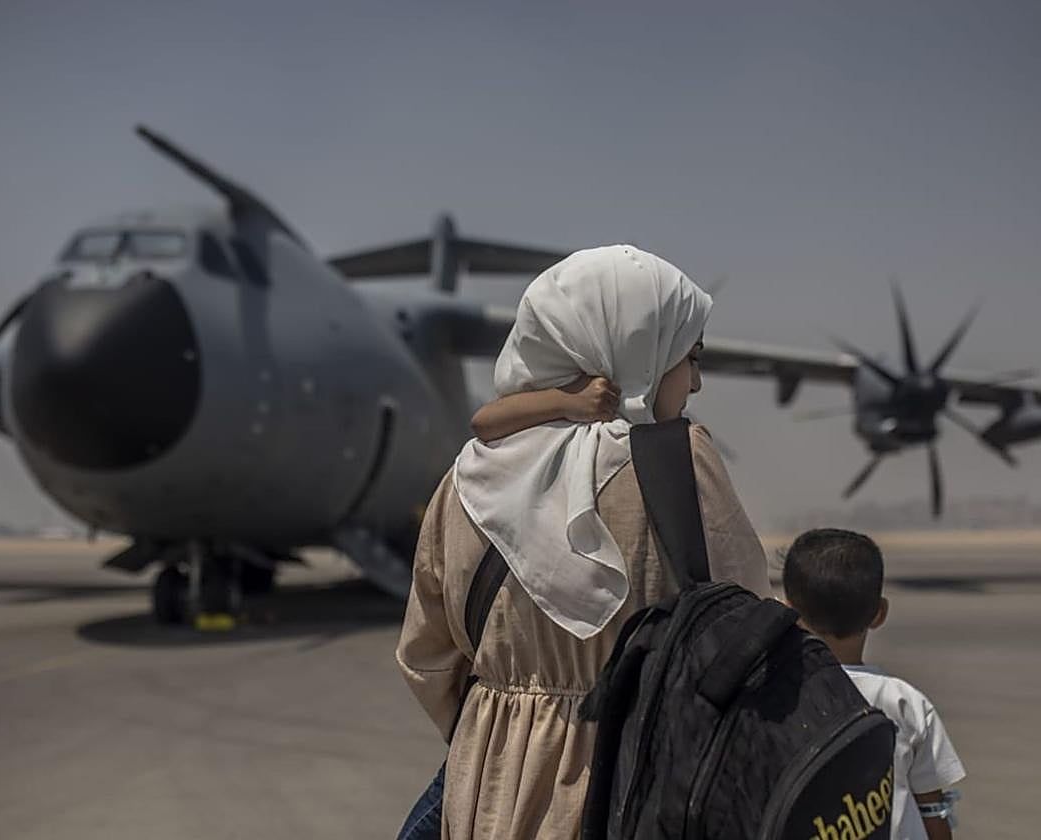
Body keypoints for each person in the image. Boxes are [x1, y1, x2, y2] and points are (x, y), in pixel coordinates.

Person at [396, 245, 770, 840]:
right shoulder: (680, 460)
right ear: (634, 349)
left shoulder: (467, 480)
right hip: (641, 781)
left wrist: (500, 734)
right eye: (688, 356)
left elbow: (425, 655)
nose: (695, 381)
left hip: (488, 789)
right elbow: (748, 623)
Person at [782, 528, 966, 840]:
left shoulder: (774, 699)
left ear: (788, 612)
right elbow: (932, 809)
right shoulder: (906, 703)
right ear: (879, 614)